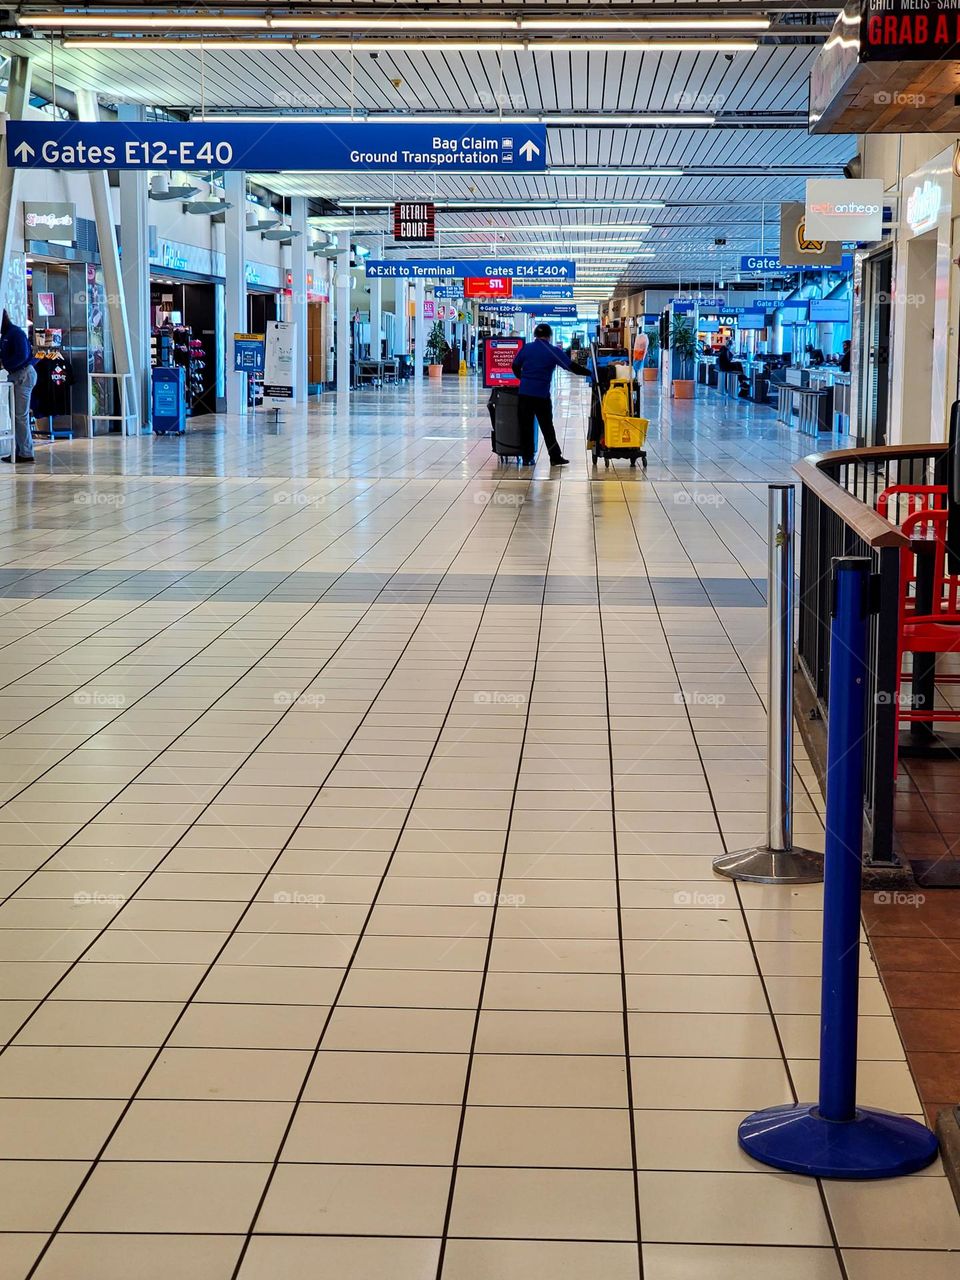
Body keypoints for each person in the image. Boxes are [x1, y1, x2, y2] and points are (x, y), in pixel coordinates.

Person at [511, 323, 590, 466]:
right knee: (547, 426)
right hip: (541, 395)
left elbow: (515, 365)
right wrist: (590, 373)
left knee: (525, 426)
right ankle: (555, 457)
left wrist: (522, 378)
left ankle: (527, 458)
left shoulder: (527, 348)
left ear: (535, 334)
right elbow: (571, 367)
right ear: (549, 336)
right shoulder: (552, 350)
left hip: (524, 394)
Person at [0, 311, 36, 463]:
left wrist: (5, 364)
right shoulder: (7, 335)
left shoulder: (15, 333)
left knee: (20, 416)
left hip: (22, 375)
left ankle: (26, 452)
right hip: (17, 374)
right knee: (16, 415)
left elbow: (22, 355)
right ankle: (21, 449)